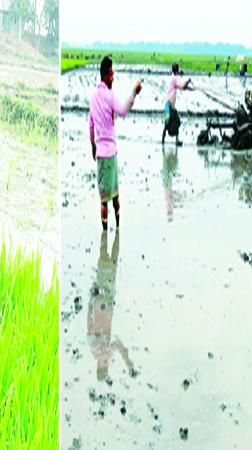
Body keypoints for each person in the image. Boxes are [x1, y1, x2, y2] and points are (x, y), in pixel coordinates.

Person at [89, 56, 143, 230]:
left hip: (102, 155)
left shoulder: (93, 97)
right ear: (106, 76)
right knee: (114, 196)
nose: (113, 78)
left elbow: (91, 126)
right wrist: (134, 92)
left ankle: (106, 233)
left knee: (104, 199)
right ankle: (117, 231)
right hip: (111, 154)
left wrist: (93, 148)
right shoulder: (109, 95)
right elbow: (123, 111)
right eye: (111, 74)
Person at [88, 230, 133, 381]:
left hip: (107, 302)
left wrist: (127, 360)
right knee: (103, 260)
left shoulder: (104, 353)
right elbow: (89, 324)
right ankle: (107, 232)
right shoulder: (92, 350)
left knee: (113, 261)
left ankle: (116, 233)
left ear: (104, 367)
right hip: (98, 300)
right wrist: (90, 302)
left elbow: (119, 345)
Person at [162, 62, 192, 146]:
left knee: (176, 121)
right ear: (176, 69)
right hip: (169, 105)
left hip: (172, 105)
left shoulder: (174, 78)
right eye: (178, 68)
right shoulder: (174, 78)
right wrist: (187, 82)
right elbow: (181, 85)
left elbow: (180, 86)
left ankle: (175, 140)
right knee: (168, 122)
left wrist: (188, 87)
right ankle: (164, 140)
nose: (179, 70)